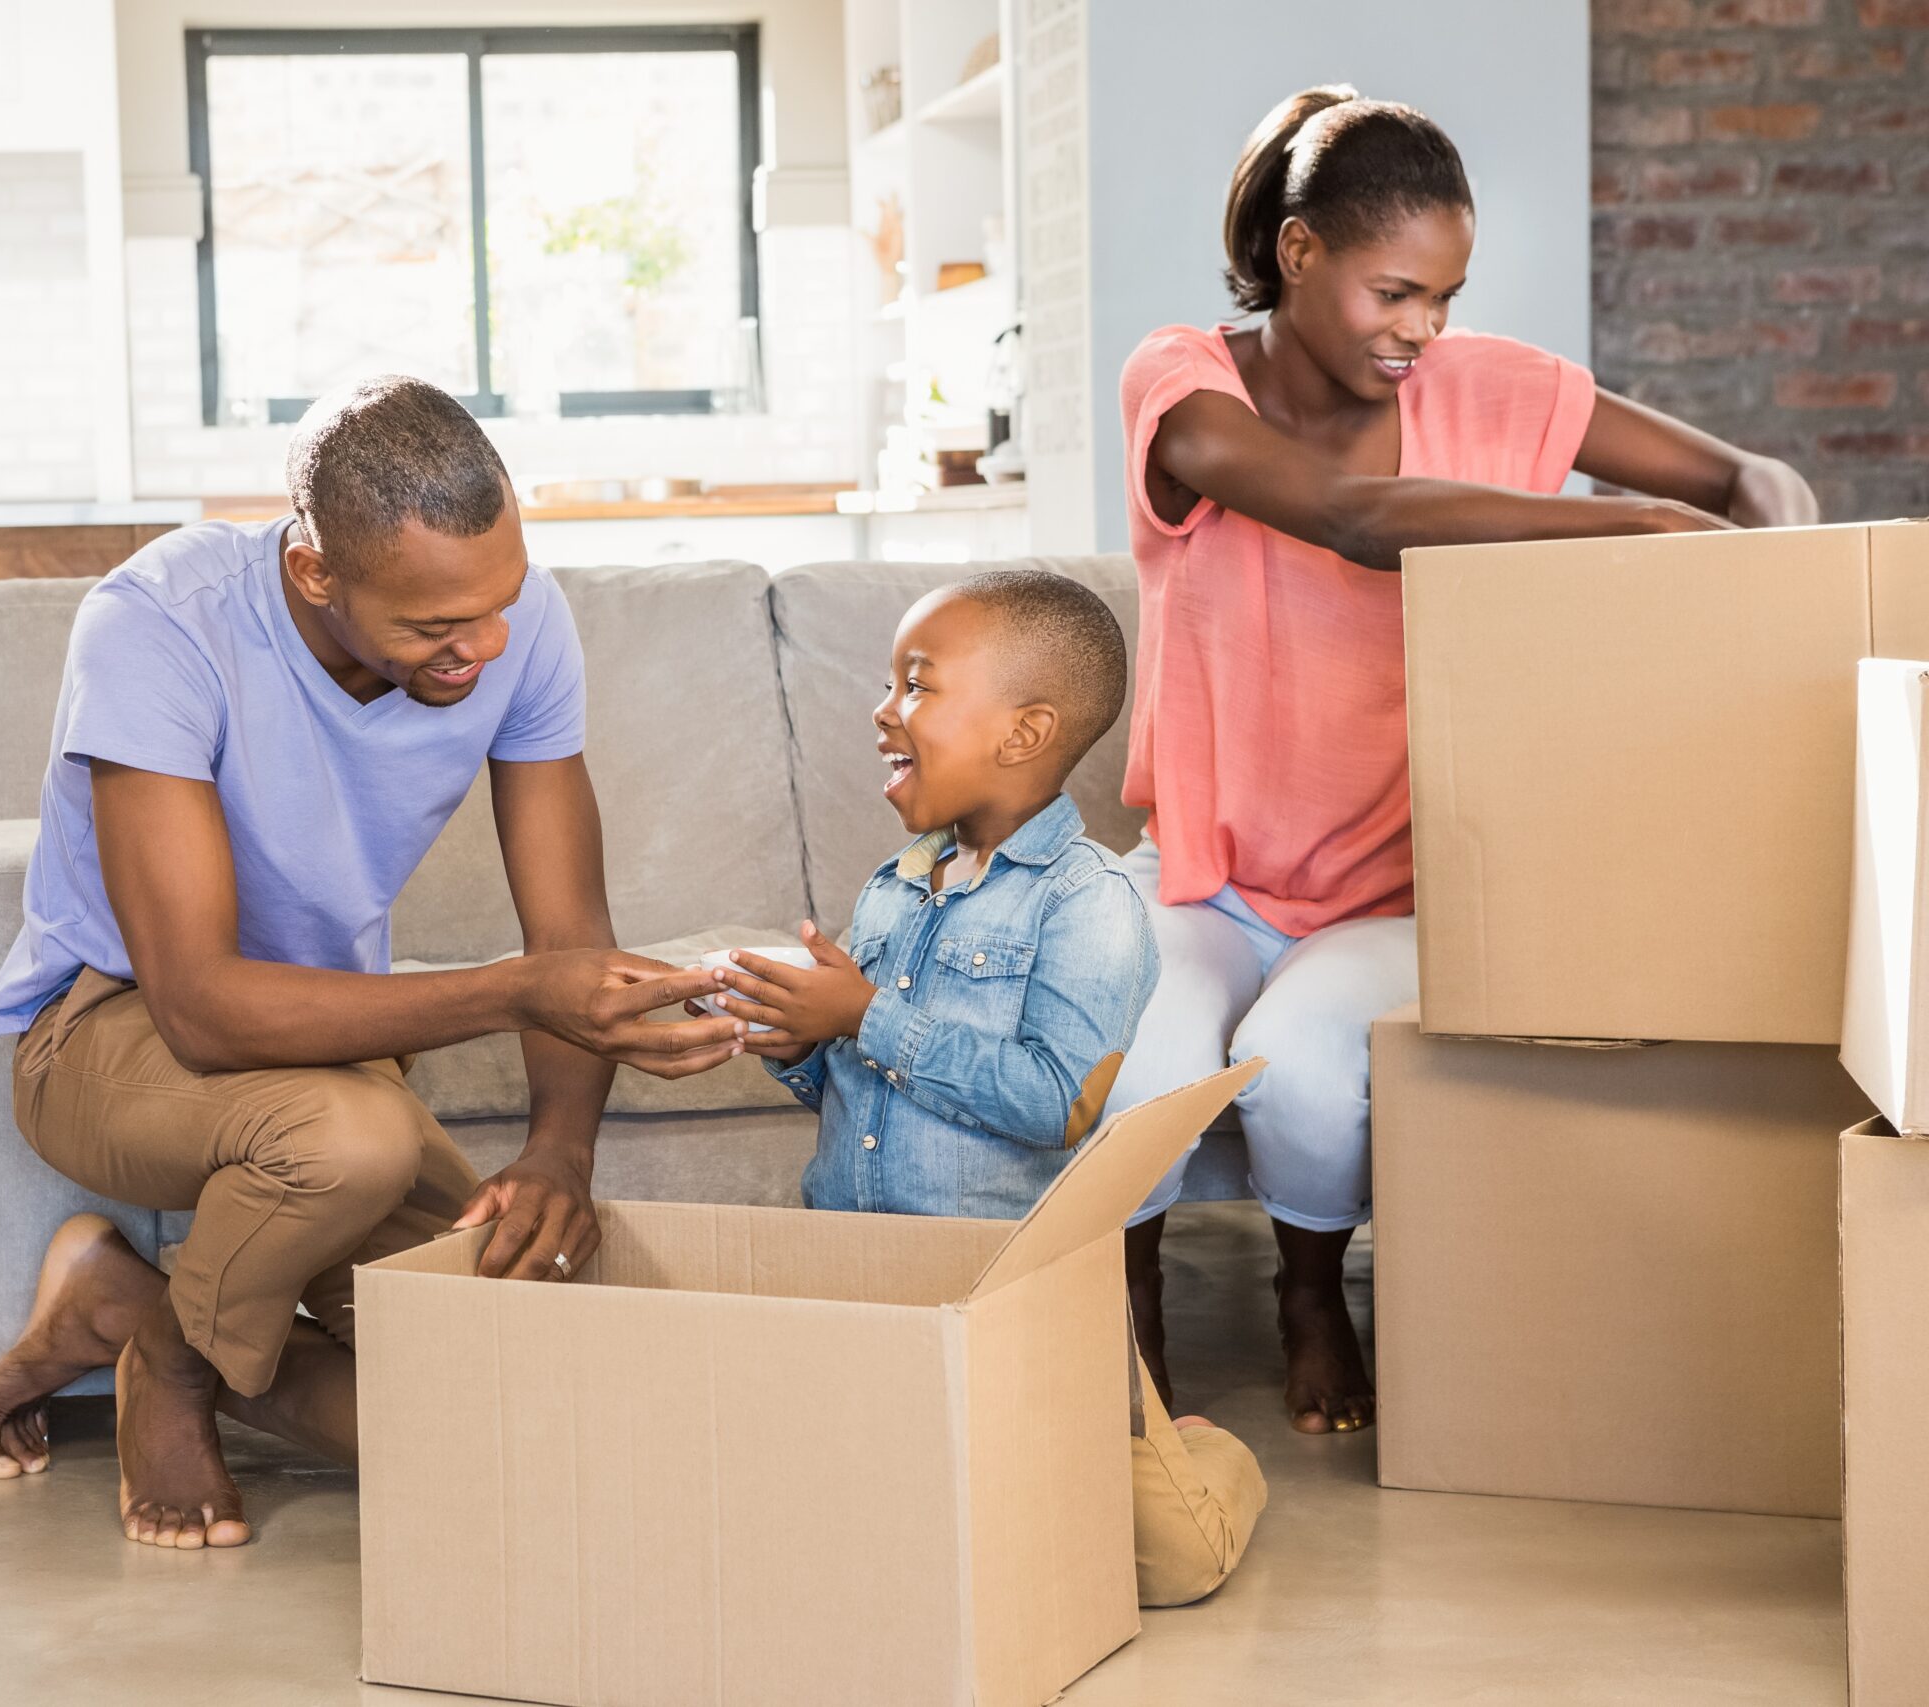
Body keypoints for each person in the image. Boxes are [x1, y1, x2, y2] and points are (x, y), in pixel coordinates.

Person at [1108, 86, 1820, 1436]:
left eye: (1443, 295)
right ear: (1301, 252)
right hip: (1205, 878)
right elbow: (1349, 515)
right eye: (1395, 292)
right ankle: (1122, 1306)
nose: (1421, 329)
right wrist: (1633, 532)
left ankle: (1312, 1291)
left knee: (1306, 1059)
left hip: (1393, 890)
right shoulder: (1182, 382)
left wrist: (1779, 572)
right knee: (1139, 1064)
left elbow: (1754, 480)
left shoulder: (1483, 388)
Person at [0, 375, 741, 1549]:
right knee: (350, 1140)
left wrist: (559, 1151)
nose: (481, 650)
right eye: (431, 629)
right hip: (110, 1037)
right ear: (316, 573)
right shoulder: (159, 627)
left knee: (506, 1414)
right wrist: (517, 990)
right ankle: (164, 1364)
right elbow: (202, 1009)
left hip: (331, 1061)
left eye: (500, 606)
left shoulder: (513, 629)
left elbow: (568, 937)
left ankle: (119, 1300)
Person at [711, 569, 1265, 1606]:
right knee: (857, 1528)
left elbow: (1058, 1104)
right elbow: (855, 1095)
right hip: (861, 1284)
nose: (883, 710)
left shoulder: (1088, 905)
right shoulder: (893, 885)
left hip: (1010, 1296)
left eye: (916, 686)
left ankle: (1195, 1449)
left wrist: (862, 1014)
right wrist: (785, 1034)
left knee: (1166, 1562)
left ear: (1024, 734)